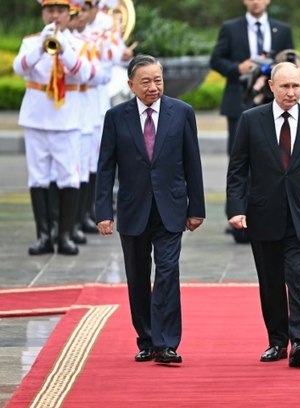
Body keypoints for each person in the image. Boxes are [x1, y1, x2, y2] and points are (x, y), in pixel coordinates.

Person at [226, 62, 300, 368]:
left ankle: (299, 341)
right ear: (272, 87)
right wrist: (236, 209)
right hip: (263, 214)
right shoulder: (251, 120)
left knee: (297, 277)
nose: (291, 92)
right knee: (271, 281)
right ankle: (277, 341)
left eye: (296, 86)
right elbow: (238, 168)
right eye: (285, 86)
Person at [95, 54, 205, 364]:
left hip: (170, 207)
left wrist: (196, 207)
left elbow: (192, 162)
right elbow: (105, 167)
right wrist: (104, 212)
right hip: (133, 209)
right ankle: (146, 339)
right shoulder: (116, 117)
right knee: (138, 276)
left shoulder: (182, 113)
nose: (153, 87)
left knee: (168, 274)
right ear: (131, 85)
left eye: (158, 80)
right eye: (146, 82)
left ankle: (166, 343)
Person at [13, 0, 92, 256]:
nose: (54, 16)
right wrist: (40, 46)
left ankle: (65, 235)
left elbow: (84, 74)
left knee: (68, 176)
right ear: (43, 13)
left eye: (60, 11)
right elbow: (19, 68)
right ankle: (44, 235)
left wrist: (63, 48)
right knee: (38, 177)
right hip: (36, 118)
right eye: (50, 11)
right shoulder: (30, 41)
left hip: (67, 120)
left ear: (69, 15)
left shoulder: (79, 44)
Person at [210, 0, 294, 155]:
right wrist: (238, 68)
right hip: (239, 98)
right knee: (239, 154)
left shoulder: (283, 30)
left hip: (273, 98)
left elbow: (291, 61)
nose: (256, 1)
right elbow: (215, 60)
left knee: (274, 154)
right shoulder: (230, 28)